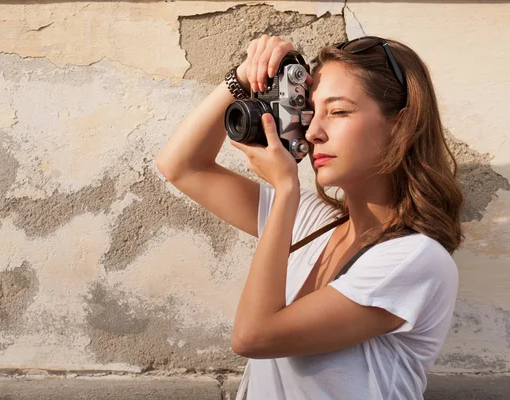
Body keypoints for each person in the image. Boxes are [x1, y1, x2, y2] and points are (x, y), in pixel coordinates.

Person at [156, 34, 463, 400]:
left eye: (338, 111)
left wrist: (285, 190)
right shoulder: (315, 222)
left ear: (402, 123)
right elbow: (181, 167)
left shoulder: (415, 259)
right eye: (312, 112)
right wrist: (245, 77)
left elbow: (254, 336)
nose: (314, 132)